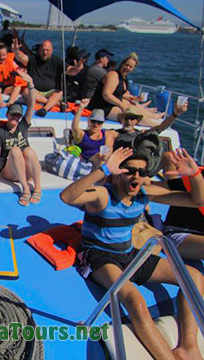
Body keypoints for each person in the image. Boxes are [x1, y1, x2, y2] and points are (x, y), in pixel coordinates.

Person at [60, 147, 204, 360]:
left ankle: (188, 347)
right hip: (99, 255)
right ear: (118, 174)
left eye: (142, 173)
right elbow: (67, 196)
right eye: (129, 171)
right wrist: (103, 170)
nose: (136, 176)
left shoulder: (145, 193)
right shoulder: (103, 195)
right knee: (135, 300)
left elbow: (197, 201)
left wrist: (194, 175)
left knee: (193, 277)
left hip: (128, 253)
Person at [0, 70, 41, 206]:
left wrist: (30, 84)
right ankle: (25, 189)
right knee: (15, 150)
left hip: (26, 170)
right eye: (13, 115)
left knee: (28, 151)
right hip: (10, 172)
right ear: (7, 115)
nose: (15, 117)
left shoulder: (23, 125)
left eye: (18, 115)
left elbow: (31, 105)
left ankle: (37, 187)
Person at [11, 39, 82, 117]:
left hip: (51, 92)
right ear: (39, 50)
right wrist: (16, 50)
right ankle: (54, 103)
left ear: (51, 51)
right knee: (25, 91)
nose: (45, 52)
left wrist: (77, 68)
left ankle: (45, 109)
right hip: (35, 91)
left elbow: (70, 71)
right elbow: (21, 57)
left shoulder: (57, 61)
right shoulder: (33, 59)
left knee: (59, 93)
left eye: (47, 50)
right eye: (43, 50)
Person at [88, 53, 163, 125]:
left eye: (130, 67)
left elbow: (119, 93)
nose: (127, 68)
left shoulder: (124, 78)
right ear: (122, 64)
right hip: (102, 107)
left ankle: (153, 116)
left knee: (134, 106)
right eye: (126, 65)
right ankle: (154, 125)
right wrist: (121, 105)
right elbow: (106, 94)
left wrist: (133, 98)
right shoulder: (113, 75)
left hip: (112, 105)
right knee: (133, 115)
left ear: (133, 69)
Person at [106, 102, 188, 151]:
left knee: (168, 158)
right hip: (121, 166)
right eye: (127, 118)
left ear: (137, 121)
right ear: (121, 120)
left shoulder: (141, 134)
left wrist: (175, 114)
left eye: (132, 118)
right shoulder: (113, 133)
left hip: (140, 168)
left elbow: (161, 127)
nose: (129, 121)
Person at [71, 99, 111, 165]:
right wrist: (81, 108)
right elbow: (74, 127)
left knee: (104, 156)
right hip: (83, 163)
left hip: (99, 163)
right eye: (93, 121)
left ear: (102, 124)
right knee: (100, 157)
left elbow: (109, 148)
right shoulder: (82, 135)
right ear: (88, 121)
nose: (96, 125)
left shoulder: (106, 135)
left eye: (99, 122)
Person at [0, 44, 26, 109]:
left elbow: (17, 69)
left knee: (18, 85)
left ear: (7, 55)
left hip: (7, 88)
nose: (2, 57)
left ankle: (11, 102)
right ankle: (0, 102)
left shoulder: (11, 62)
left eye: (4, 55)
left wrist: (23, 71)